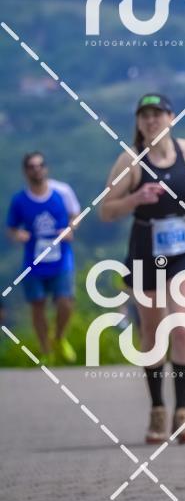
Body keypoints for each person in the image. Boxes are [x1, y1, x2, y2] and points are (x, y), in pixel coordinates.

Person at [99, 94, 185, 445]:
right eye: (144, 116)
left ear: (171, 118)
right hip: (146, 250)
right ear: (138, 122)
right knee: (152, 332)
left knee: (181, 326)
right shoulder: (130, 160)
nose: (151, 121)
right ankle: (158, 408)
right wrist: (136, 198)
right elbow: (106, 210)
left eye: (157, 114)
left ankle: (183, 412)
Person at [6, 152, 80, 363]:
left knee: (65, 301)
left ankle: (59, 337)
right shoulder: (20, 200)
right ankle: (46, 350)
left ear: (46, 168)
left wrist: (70, 228)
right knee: (37, 305)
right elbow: (11, 228)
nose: (37, 170)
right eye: (32, 166)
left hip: (61, 258)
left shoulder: (62, 192)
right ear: (25, 171)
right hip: (34, 261)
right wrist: (18, 235)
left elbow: (76, 214)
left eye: (40, 165)